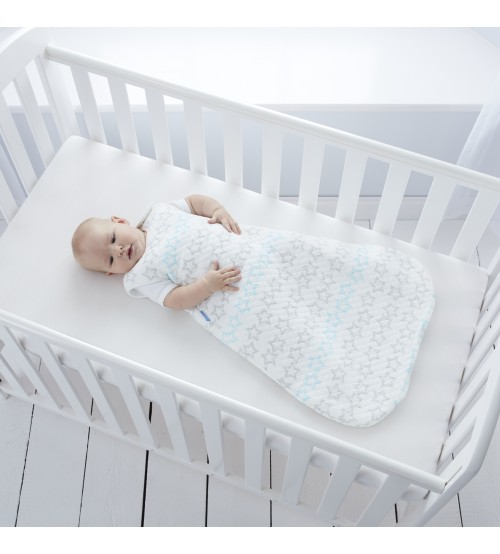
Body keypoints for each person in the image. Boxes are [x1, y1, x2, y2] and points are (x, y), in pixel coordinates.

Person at [71, 194, 242, 310]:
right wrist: (206, 285)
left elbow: (192, 203)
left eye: (113, 238)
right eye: (110, 260)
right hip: (227, 278)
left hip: (237, 244)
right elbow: (174, 299)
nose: (118, 250)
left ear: (120, 221)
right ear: (111, 272)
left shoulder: (158, 213)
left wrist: (217, 210)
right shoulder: (141, 277)